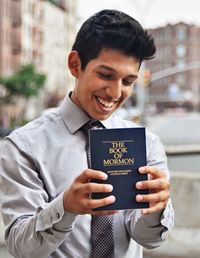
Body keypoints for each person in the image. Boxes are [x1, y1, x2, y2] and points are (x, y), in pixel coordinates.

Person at [0, 9, 174, 258]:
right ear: (75, 65)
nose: (115, 93)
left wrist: (156, 209)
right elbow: (20, 247)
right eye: (105, 75)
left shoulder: (147, 143)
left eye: (127, 81)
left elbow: (148, 239)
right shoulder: (23, 146)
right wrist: (65, 206)